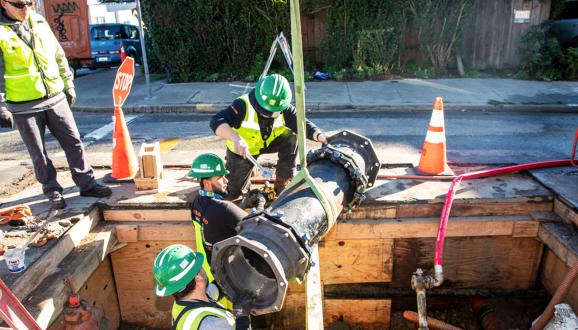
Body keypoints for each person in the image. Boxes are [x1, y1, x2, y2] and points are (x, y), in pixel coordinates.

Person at [0, 0, 111, 209]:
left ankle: (86, 183)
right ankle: (52, 190)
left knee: (74, 142)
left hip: (55, 97)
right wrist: (1, 105)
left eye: (30, 3)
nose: (27, 9)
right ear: (4, 3)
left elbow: (58, 55)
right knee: (39, 153)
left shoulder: (38, 21)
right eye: (21, 5)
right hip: (24, 106)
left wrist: (68, 84)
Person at [210, 73, 327, 200]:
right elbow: (216, 121)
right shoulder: (242, 105)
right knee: (233, 193)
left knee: (292, 135)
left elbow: (303, 124)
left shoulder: (284, 107)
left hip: (270, 142)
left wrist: (319, 135)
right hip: (244, 150)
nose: (268, 115)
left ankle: (283, 180)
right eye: (265, 111)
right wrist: (235, 138)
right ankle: (247, 170)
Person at [153, 244, 251, 330]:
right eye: (200, 267)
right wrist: (242, 316)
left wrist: (230, 273)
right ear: (198, 277)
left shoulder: (183, 304)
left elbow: (215, 291)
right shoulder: (210, 324)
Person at [186, 153, 247, 283]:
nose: (226, 180)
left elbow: (217, 222)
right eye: (220, 177)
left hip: (207, 270)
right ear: (207, 183)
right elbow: (256, 225)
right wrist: (261, 202)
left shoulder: (196, 203)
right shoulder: (223, 208)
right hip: (227, 277)